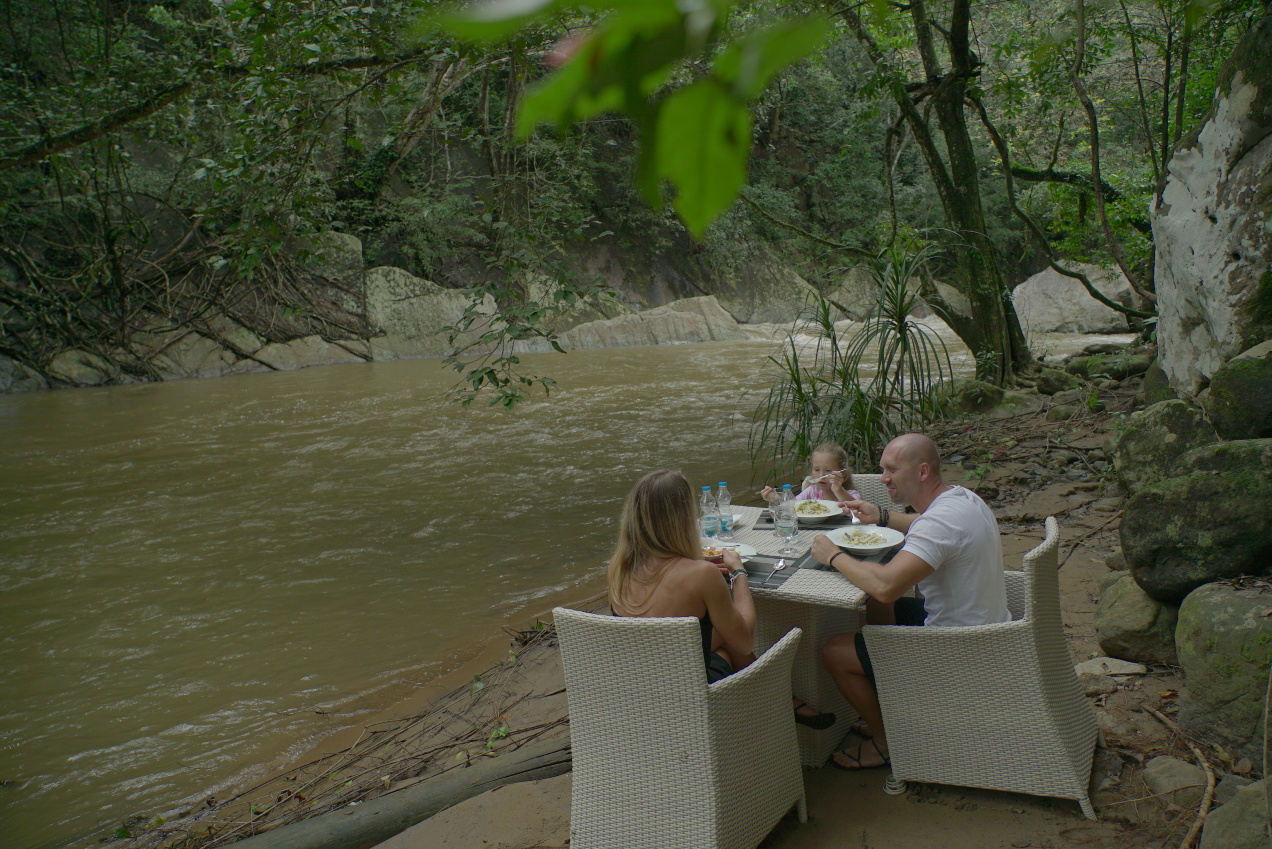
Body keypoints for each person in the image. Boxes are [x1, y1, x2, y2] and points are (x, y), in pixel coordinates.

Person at [808, 433, 1009, 770]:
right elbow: (923, 525)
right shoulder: (960, 499)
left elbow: (887, 584)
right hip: (988, 628)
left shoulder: (939, 523)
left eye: (892, 470)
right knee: (874, 603)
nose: (884, 478)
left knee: (835, 650)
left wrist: (833, 556)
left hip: (959, 648)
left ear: (922, 471)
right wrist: (881, 517)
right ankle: (892, 698)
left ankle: (887, 742)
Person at [609, 470, 836, 728]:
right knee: (733, 644)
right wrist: (738, 573)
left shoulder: (618, 567)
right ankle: (776, 703)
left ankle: (785, 702)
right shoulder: (701, 574)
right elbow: (745, 640)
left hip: (637, 687)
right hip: (691, 693)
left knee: (722, 635)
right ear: (682, 518)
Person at [760, 442, 862, 504]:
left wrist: (838, 490)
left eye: (828, 471)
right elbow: (793, 505)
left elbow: (856, 509)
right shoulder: (812, 491)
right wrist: (776, 498)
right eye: (817, 470)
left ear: (842, 474)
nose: (821, 475)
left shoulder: (850, 494)